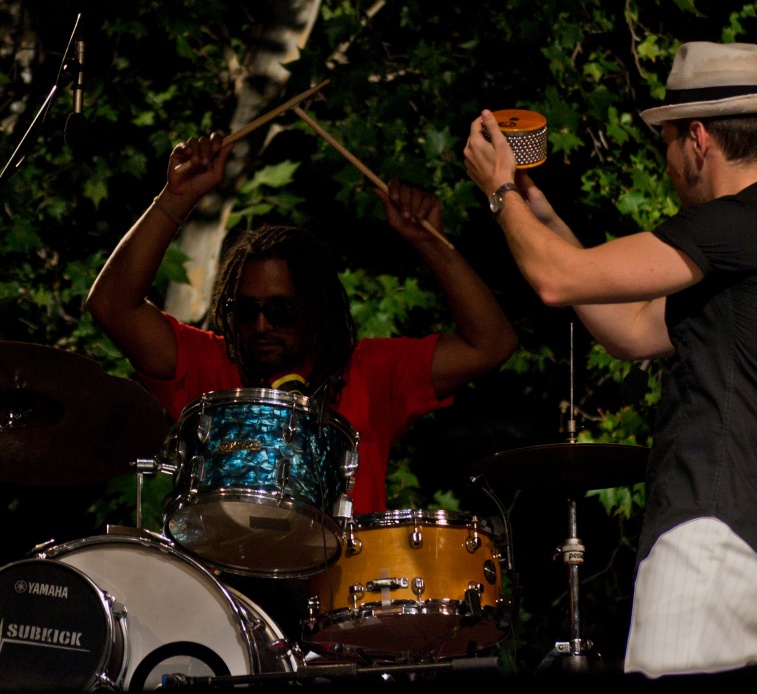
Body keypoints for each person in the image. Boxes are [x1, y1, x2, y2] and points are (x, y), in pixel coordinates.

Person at [464, 42, 757, 676]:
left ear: (698, 138)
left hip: (716, 531)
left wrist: (500, 190)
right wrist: (541, 217)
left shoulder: (741, 223)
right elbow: (635, 331)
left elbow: (556, 280)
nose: (666, 163)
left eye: (665, 142)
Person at [88, 131, 517, 529]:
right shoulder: (212, 365)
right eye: (246, 310)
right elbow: (112, 307)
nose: (261, 325)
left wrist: (430, 243)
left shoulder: (371, 370)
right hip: (228, 581)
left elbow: (492, 344)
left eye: (281, 311)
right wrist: (174, 198)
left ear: (315, 310)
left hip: (346, 583)